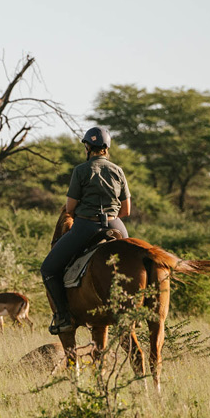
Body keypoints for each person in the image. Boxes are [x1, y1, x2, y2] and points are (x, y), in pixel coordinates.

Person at [41, 127, 132, 335]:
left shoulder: (81, 170)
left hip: (86, 226)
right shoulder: (118, 170)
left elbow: (70, 208)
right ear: (107, 148)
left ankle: (63, 316)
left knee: (48, 269)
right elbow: (126, 210)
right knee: (130, 260)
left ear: (87, 147)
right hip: (116, 225)